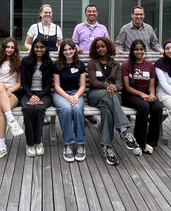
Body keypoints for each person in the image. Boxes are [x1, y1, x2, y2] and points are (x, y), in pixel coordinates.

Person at [87, 37, 138, 165]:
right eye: (98, 47)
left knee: (106, 109)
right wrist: (108, 87)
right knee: (109, 95)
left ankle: (106, 147)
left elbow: (119, 83)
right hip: (95, 94)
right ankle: (123, 130)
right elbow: (93, 81)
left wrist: (114, 87)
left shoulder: (116, 64)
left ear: (108, 47)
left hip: (112, 96)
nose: (100, 49)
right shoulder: (92, 63)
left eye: (103, 46)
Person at [122, 39, 163, 156]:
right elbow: (127, 87)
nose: (139, 52)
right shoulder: (126, 65)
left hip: (146, 93)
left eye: (141, 49)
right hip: (130, 95)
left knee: (158, 108)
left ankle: (151, 141)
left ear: (144, 50)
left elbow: (151, 86)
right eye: (136, 49)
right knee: (144, 106)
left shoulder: (149, 65)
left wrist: (151, 94)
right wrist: (142, 95)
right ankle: (139, 142)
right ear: (132, 51)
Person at [71, 4, 109, 124]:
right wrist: (77, 48)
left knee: (93, 84)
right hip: (81, 61)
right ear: (85, 13)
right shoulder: (79, 27)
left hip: (97, 62)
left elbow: (107, 43)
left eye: (93, 11)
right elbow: (73, 42)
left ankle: (90, 112)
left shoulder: (102, 28)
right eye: (89, 11)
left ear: (97, 13)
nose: (91, 13)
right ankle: (85, 111)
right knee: (82, 83)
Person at [53, 39, 87, 162]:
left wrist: (76, 96)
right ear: (61, 51)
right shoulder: (57, 64)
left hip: (76, 93)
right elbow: (57, 86)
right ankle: (67, 144)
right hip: (61, 94)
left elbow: (82, 85)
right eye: (65, 50)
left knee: (78, 109)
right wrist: (68, 98)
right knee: (66, 109)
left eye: (70, 49)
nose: (68, 52)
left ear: (74, 49)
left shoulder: (80, 64)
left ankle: (80, 144)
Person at [20, 37, 53, 157]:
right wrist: (32, 95)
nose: (39, 49)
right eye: (37, 47)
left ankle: (38, 142)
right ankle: (29, 143)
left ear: (46, 48)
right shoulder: (25, 61)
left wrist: (38, 96)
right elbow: (23, 82)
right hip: (28, 93)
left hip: (43, 94)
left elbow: (48, 84)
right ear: (33, 48)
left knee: (39, 109)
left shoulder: (49, 63)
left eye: (42, 47)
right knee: (28, 109)